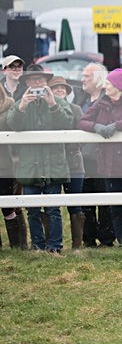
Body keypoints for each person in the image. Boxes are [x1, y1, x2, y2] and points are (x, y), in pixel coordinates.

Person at [78, 68, 122, 245]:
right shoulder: (102, 103)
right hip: (108, 165)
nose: (105, 86)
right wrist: (96, 127)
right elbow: (82, 121)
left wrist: (117, 125)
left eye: (108, 83)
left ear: (119, 86)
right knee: (115, 207)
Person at [7, 65, 73, 254]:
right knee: (33, 210)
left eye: (41, 80)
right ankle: (37, 246)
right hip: (30, 166)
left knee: (53, 209)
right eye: (33, 80)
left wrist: (52, 105)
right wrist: (22, 106)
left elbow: (68, 123)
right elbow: (12, 125)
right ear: (27, 83)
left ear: (46, 82)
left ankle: (54, 247)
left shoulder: (58, 101)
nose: (37, 83)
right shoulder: (20, 103)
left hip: (53, 164)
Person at [75, 62, 115, 247]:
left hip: (103, 156)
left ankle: (106, 238)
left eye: (87, 76)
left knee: (105, 196)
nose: (82, 80)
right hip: (82, 156)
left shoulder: (109, 99)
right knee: (85, 197)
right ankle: (88, 238)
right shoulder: (80, 98)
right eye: (83, 76)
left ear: (98, 79)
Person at [49, 76, 86, 250]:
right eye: (56, 88)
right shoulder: (44, 110)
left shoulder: (76, 109)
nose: (60, 90)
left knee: (75, 203)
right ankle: (53, 243)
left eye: (63, 88)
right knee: (52, 204)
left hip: (73, 162)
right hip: (52, 163)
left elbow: (82, 134)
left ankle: (77, 245)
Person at [0, 82, 27, 249]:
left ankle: (18, 245)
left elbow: (5, 124)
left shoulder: (8, 105)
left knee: (9, 207)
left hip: (4, 166)